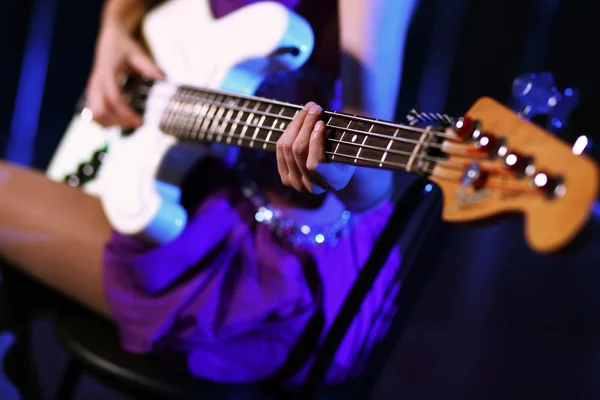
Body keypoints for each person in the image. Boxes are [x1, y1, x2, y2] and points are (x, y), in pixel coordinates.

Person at [0, 0, 418, 384]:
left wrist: (334, 169)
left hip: (260, 270)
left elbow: (374, 184)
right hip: (173, 179)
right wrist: (114, 32)